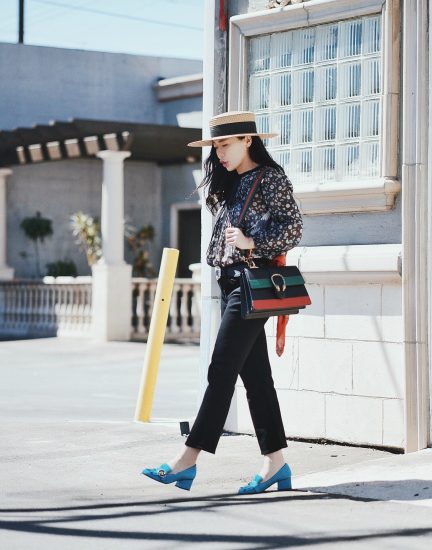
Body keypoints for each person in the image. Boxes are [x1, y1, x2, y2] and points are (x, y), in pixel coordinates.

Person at [142, 110, 303, 494]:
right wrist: (220, 176)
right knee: (257, 380)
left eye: (226, 144)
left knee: (221, 370)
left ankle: (187, 461)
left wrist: (253, 242)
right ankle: (276, 464)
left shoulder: (270, 179)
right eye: (216, 146)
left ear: (248, 140)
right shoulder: (232, 183)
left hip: (251, 285)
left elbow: (293, 225)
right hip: (231, 285)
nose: (221, 153)